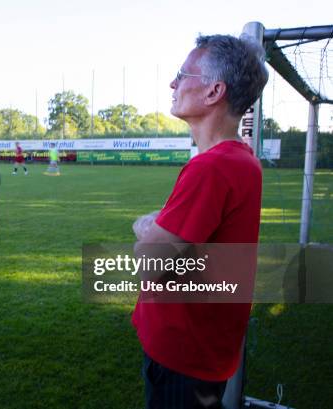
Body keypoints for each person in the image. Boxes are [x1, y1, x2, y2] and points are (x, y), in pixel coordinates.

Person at [131, 34, 268, 408]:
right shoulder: (241, 159)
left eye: (182, 74)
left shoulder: (213, 167)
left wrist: (145, 226)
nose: (173, 84)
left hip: (182, 355)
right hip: (206, 351)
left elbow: (149, 265)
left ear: (213, 92)